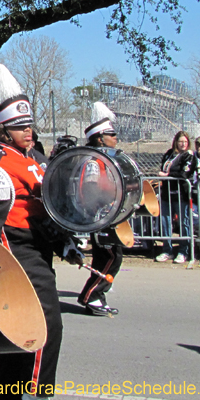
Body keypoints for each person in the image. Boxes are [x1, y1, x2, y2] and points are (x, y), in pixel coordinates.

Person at [0, 64, 80, 400]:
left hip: (39, 249)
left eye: (29, 125)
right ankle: (36, 395)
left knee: (17, 329)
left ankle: (7, 397)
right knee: (46, 324)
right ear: (2, 130)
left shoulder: (38, 159)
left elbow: (49, 209)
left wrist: (65, 242)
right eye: (19, 126)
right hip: (17, 254)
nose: (28, 131)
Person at [77, 113, 123, 317]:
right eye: (111, 134)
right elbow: (91, 189)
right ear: (100, 138)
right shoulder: (94, 162)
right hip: (98, 217)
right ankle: (92, 295)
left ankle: (96, 294)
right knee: (108, 257)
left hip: (107, 216)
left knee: (111, 256)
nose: (115, 138)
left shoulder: (106, 159)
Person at [155, 131, 192, 263]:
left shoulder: (188, 156)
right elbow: (162, 167)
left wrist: (168, 175)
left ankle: (184, 251)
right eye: (181, 141)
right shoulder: (169, 154)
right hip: (166, 193)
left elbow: (184, 173)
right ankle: (167, 250)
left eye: (185, 142)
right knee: (165, 222)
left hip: (181, 194)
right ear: (176, 142)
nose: (183, 144)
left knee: (184, 222)